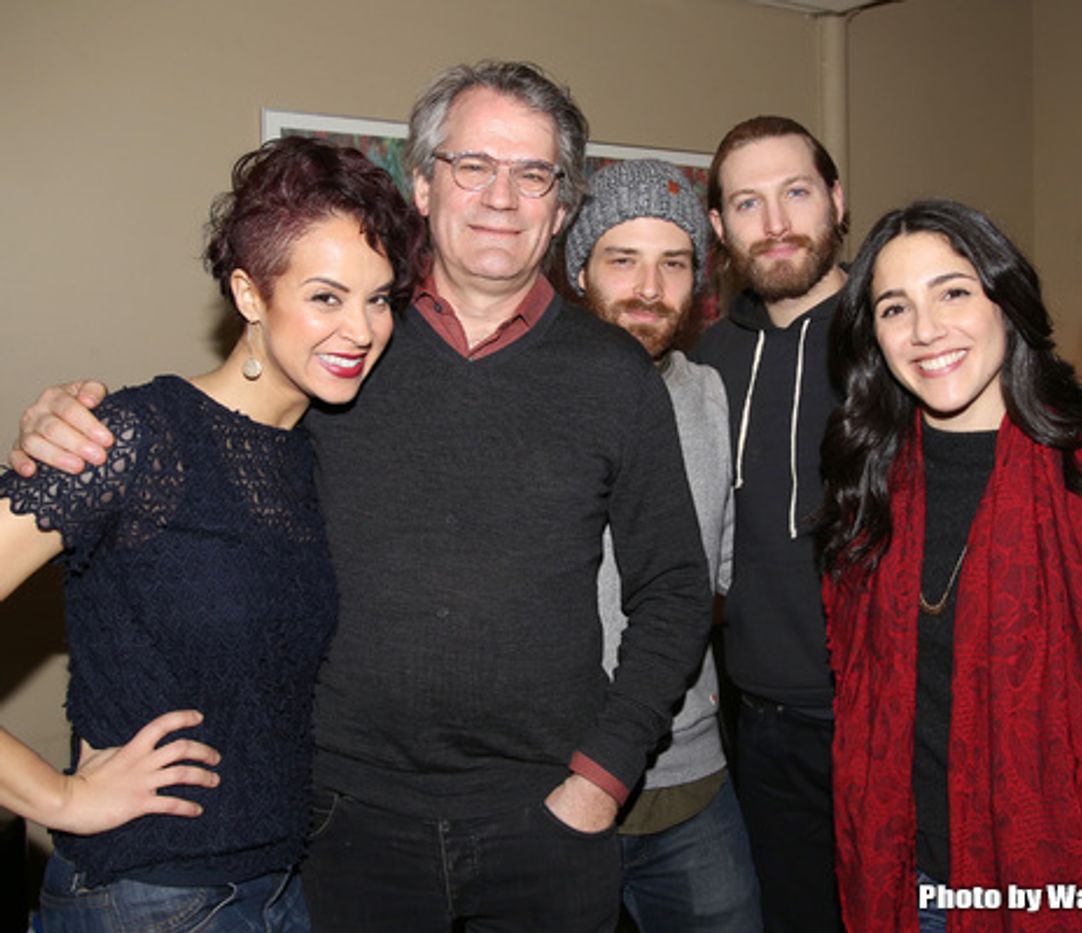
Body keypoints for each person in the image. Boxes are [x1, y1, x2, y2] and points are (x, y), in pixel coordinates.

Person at [8, 61, 713, 933]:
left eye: (532, 174)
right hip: (338, 828)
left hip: (545, 821)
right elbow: (209, 428)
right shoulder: (340, 358)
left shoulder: (612, 374)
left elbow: (678, 589)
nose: (503, 195)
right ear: (423, 183)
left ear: (561, 207)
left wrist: (602, 778)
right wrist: (64, 428)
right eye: (473, 165)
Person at [0, 136, 419, 932]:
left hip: (279, 889)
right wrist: (58, 797)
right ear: (250, 293)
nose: (361, 328)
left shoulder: (315, 456)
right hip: (146, 899)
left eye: (379, 298)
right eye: (326, 296)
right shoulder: (133, 438)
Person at [819, 200, 1082, 933]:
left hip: (1056, 878)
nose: (926, 329)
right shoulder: (867, 480)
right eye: (895, 307)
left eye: (953, 291)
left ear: (1006, 299)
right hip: (907, 876)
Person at [564, 157, 762, 933]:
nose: (649, 287)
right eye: (623, 259)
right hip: (551, 776)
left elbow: (724, 569)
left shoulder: (707, 396)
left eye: (673, 262)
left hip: (690, 777)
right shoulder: (530, 396)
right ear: (579, 269)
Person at [691, 115, 848, 933]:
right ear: (719, 228)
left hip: (883, 718)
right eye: (748, 203)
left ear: (836, 199)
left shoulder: (898, 337)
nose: (777, 222)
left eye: (796, 192)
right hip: (757, 728)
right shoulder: (707, 361)